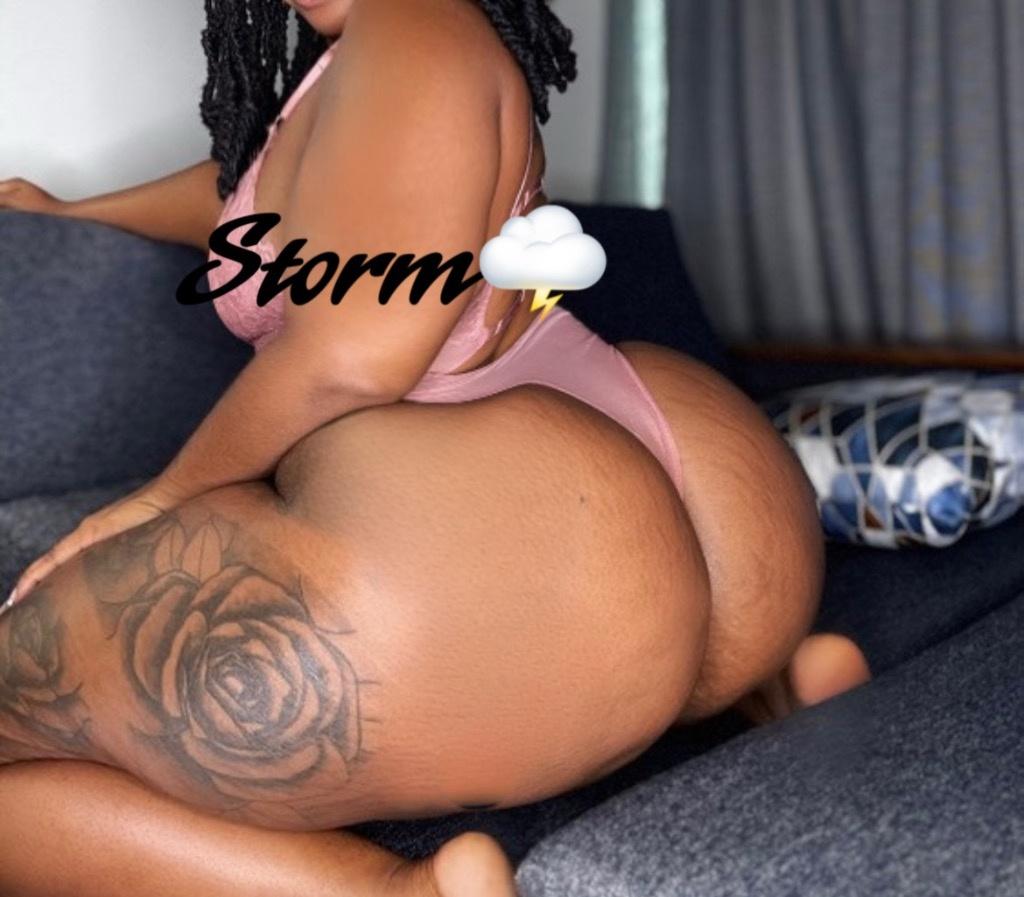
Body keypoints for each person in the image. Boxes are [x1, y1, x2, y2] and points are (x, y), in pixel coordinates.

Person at [0, 0, 870, 894]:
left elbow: (353, 356)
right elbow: (252, 205)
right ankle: (766, 688)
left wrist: (159, 497)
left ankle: (393, 889)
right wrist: (76, 210)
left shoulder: (409, 31)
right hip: (679, 472)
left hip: (530, 540)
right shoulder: (390, 55)